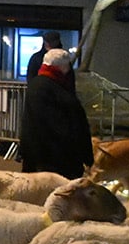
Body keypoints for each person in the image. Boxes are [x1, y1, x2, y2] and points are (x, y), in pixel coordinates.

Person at [20, 48, 93, 179]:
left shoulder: (39, 84)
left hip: (39, 155)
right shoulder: (53, 87)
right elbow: (59, 123)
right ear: (62, 67)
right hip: (55, 158)